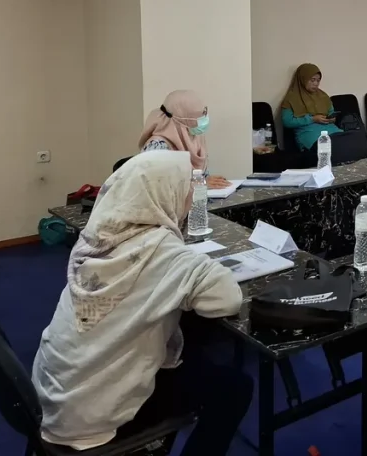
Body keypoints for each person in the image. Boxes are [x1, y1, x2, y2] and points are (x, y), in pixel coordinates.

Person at [32, 151, 253, 456]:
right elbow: (227, 300)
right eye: (186, 187)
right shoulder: (165, 254)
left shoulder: (96, 237)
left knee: (188, 345)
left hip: (52, 397)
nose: (190, 195)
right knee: (234, 388)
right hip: (93, 420)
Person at [138, 89, 229, 188]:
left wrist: (208, 181)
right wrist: (199, 184)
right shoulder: (157, 148)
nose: (204, 117)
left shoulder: (193, 138)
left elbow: (200, 177)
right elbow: (155, 189)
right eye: (199, 115)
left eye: (204, 112)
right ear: (183, 118)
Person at [281, 62, 342, 151]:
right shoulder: (291, 99)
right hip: (308, 132)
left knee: (347, 141)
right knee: (329, 148)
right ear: (303, 79)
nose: (316, 84)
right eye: (312, 80)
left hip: (329, 129)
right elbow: (287, 122)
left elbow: (331, 112)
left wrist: (331, 119)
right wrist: (312, 119)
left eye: (318, 80)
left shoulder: (323, 95)